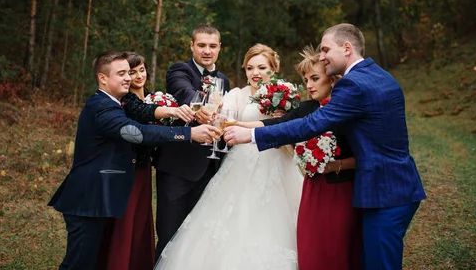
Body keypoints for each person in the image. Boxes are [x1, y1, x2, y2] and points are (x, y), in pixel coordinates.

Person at [225, 23, 426, 270]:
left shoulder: (353, 85)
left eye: (325, 50)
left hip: (385, 191)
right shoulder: (381, 75)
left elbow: (312, 124)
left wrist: (252, 136)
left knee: (379, 264)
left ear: (347, 48)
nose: (321, 57)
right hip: (398, 184)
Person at [48, 51, 219, 270]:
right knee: (79, 263)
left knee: (95, 258)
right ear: (102, 78)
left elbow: (144, 112)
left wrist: (171, 112)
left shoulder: (114, 102)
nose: (128, 78)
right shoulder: (101, 107)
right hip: (87, 199)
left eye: (128, 73)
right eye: (122, 73)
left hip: (103, 194)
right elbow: (136, 132)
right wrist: (188, 135)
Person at [154, 44, 303, 270]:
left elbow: (295, 127)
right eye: (250, 68)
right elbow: (223, 117)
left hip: (277, 161)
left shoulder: (287, 93)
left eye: (262, 67)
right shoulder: (236, 94)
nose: (255, 73)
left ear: (274, 68)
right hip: (242, 164)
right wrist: (215, 114)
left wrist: (282, 117)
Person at [238, 45, 362, 270]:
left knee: (336, 247)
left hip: (340, 191)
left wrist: (334, 165)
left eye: (315, 78)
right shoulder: (307, 108)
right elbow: (276, 123)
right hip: (312, 189)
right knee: (308, 245)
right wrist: (238, 127)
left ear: (332, 79)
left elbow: (365, 157)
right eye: (306, 80)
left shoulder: (345, 110)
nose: (309, 85)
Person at [99, 53, 194, 270]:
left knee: (140, 222)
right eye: (131, 72)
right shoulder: (126, 99)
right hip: (126, 168)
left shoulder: (154, 96)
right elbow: (142, 112)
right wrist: (169, 111)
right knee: (126, 222)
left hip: (143, 168)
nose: (138, 75)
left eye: (141, 69)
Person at [153, 24, 231, 258]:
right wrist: (200, 109)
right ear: (192, 46)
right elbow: (183, 91)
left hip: (211, 168)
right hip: (179, 168)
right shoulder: (180, 70)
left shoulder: (224, 80)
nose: (207, 51)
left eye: (212, 46)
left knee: (197, 238)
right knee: (169, 234)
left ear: (219, 48)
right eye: (202, 45)